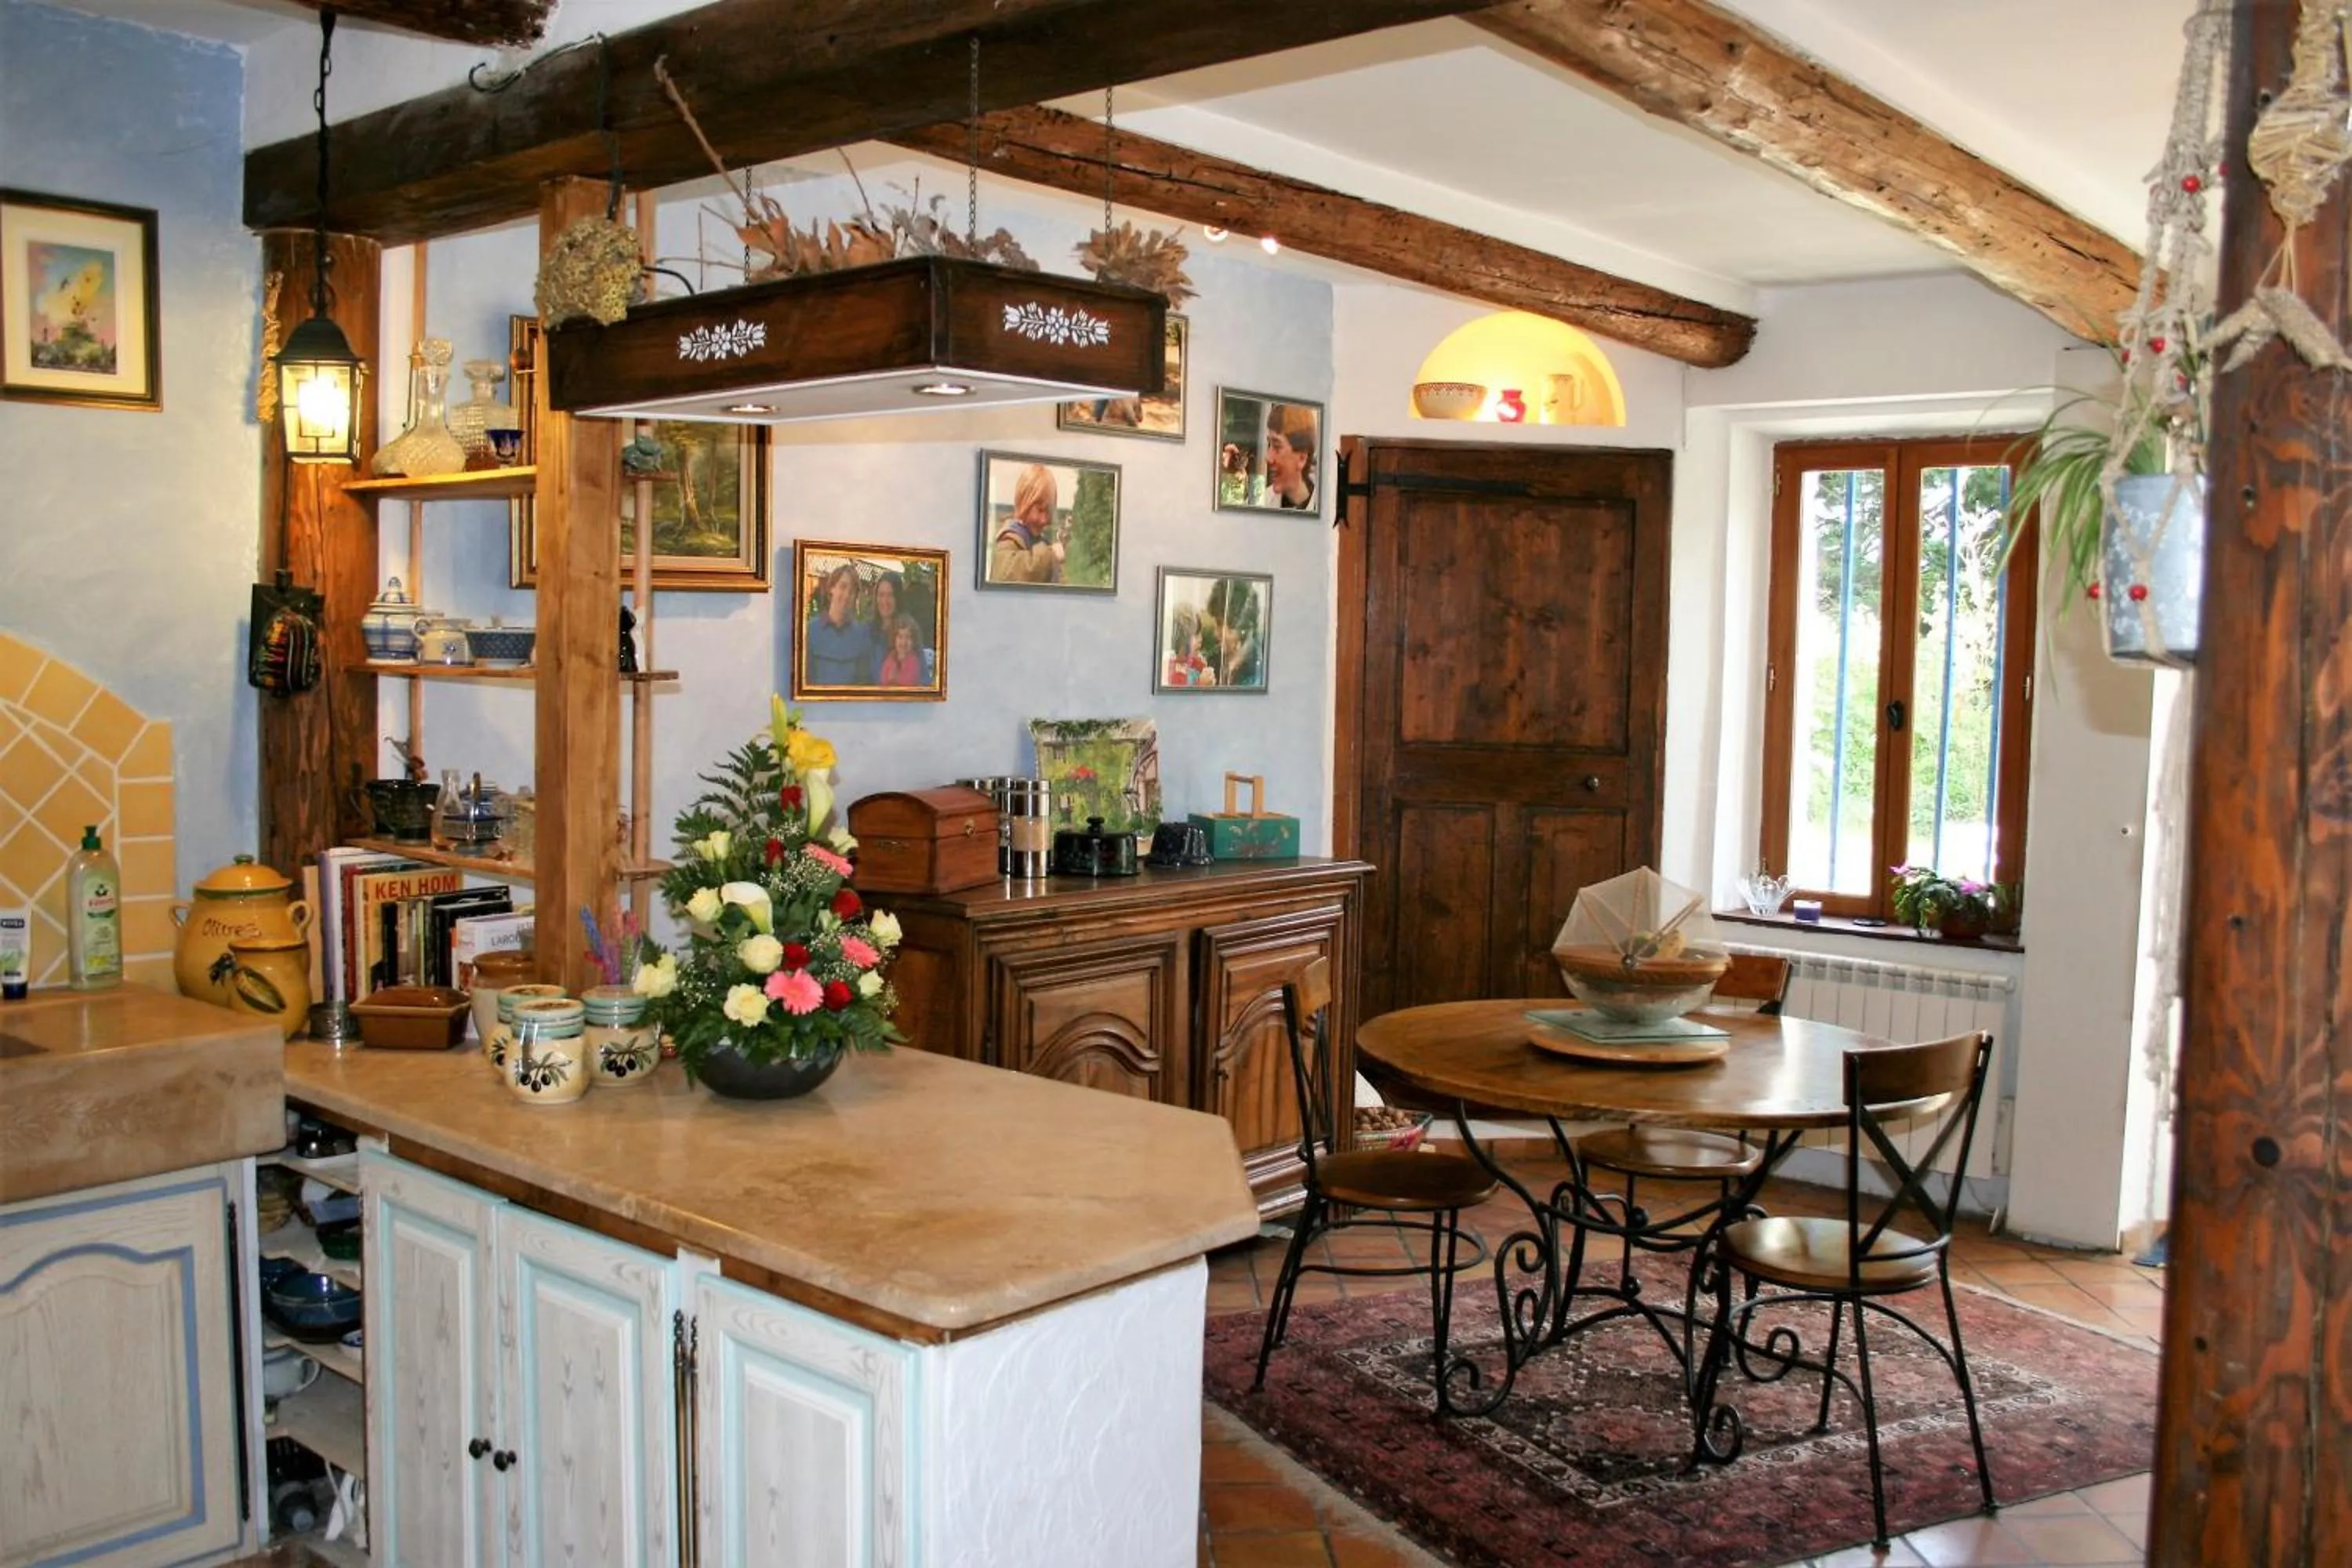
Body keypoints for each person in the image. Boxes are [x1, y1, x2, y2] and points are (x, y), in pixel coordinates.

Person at [803, 561, 879, 686]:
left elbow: (865, 683)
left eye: (852, 591)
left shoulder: (861, 636)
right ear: (832, 588)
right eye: (843, 587)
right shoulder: (810, 631)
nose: (847, 595)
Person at [990, 464, 1064, 583]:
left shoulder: (1042, 543)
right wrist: (1051, 556)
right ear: (1024, 504)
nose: (1044, 519)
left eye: (1049, 511)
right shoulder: (1009, 538)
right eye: (1040, 510)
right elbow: (1007, 574)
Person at [1261, 408, 1316, 510]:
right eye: (1269, 445)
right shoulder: (1263, 502)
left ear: (1302, 458)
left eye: (1277, 447)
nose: (1268, 458)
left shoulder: (1330, 509)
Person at [1163, 604, 1214, 688]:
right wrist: (1201, 685)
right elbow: (1180, 699)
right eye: (1196, 634)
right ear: (1181, 638)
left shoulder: (1195, 663)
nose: (1201, 639)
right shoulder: (1171, 671)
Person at [876, 615, 926, 687]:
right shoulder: (890, 658)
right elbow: (883, 678)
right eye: (900, 637)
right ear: (894, 638)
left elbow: (909, 681)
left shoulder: (913, 660)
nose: (904, 642)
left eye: (908, 637)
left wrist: (894, 679)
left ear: (914, 640)